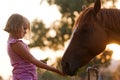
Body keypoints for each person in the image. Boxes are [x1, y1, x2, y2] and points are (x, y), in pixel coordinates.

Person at [4, 13, 65, 80]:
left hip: (27, 76)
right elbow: (32, 59)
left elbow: (26, 61)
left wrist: (39, 62)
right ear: (16, 26)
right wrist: (54, 69)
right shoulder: (16, 44)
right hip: (24, 76)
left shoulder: (14, 43)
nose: (25, 32)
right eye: (24, 28)